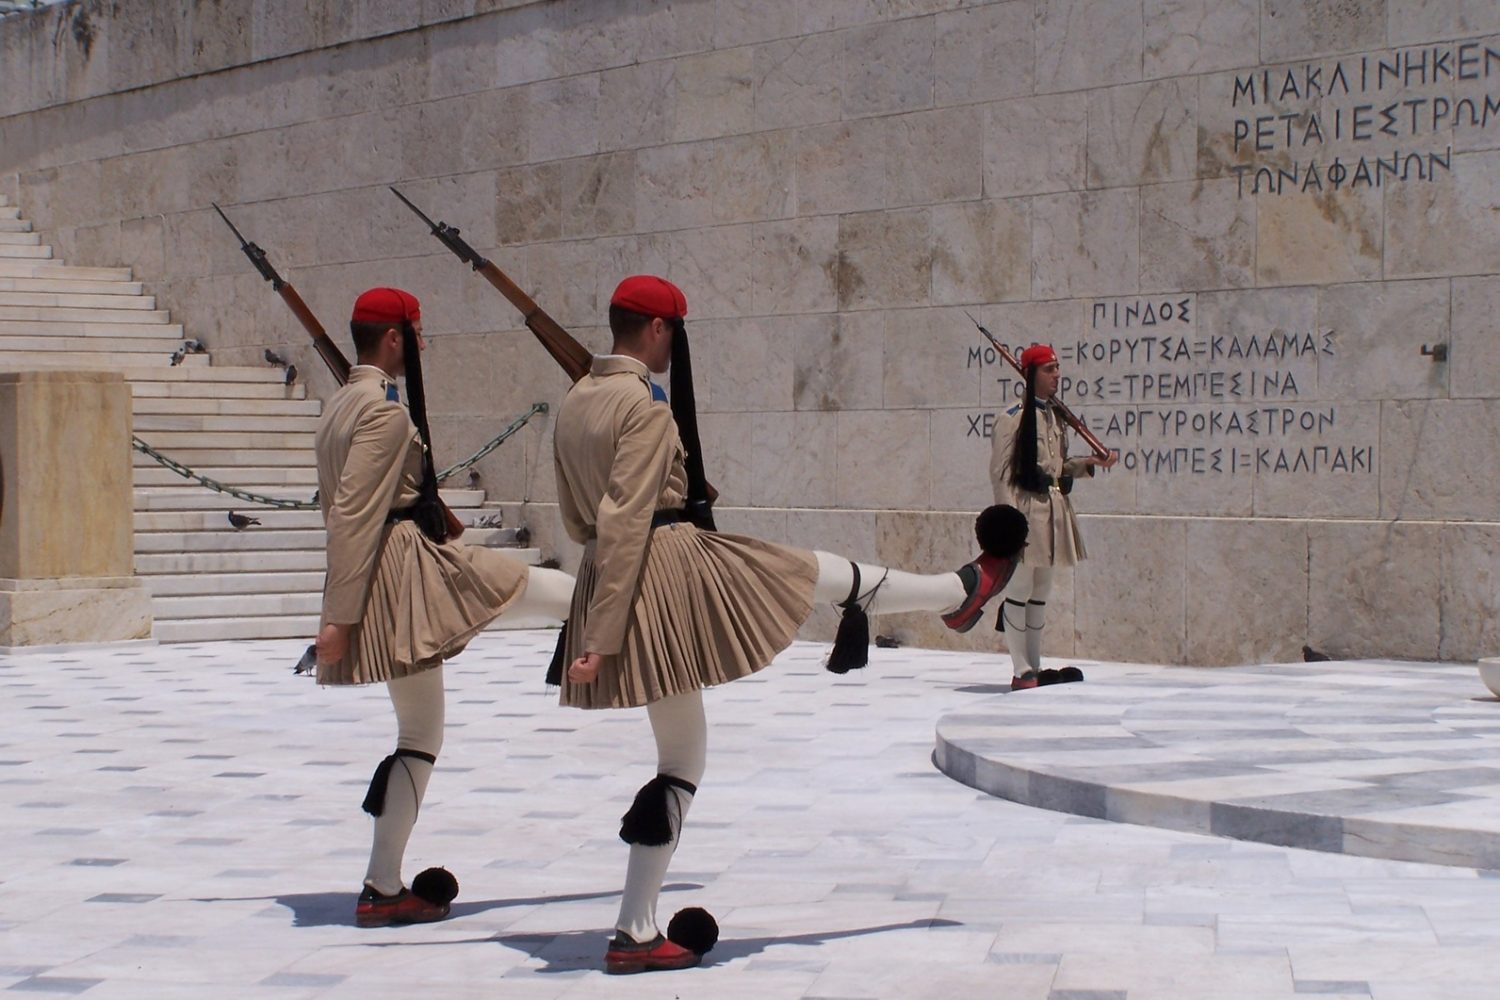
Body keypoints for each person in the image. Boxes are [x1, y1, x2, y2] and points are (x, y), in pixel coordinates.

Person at [552, 275, 1026, 974]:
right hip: (661, 571)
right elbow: (627, 518)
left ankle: (954, 591)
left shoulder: (576, 402)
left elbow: (582, 519)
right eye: (675, 335)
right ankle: (633, 931)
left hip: (615, 574)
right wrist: (600, 635)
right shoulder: (645, 408)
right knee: (809, 577)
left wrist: (599, 606)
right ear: (658, 330)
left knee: (815, 579)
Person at [313, 286, 576, 927]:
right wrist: (337, 619)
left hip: (391, 567)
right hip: (405, 573)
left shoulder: (338, 407)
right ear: (395, 338)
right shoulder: (383, 413)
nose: (423, 347)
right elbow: (351, 516)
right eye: (418, 335)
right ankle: (381, 886)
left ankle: (382, 885)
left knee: (419, 735)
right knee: (555, 596)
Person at [990, 344, 1116, 691]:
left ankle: (1034, 664)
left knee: (1041, 589)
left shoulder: (1053, 416)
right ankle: (1021, 669)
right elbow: (1001, 475)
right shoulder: (1012, 418)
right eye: (1049, 369)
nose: (1057, 374)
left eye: (1057, 368)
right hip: (1027, 511)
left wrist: (1090, 464)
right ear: (1031, 375)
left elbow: (1058, 468)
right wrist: (1008, 526)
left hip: (1053, 511)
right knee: (1020, 588)